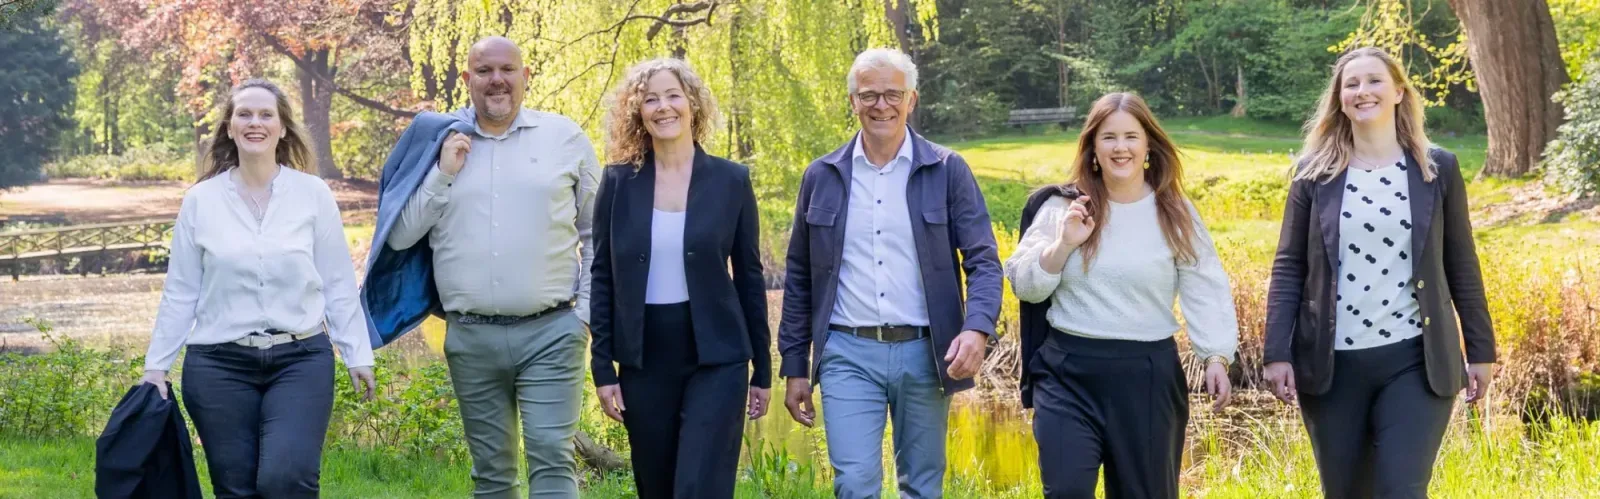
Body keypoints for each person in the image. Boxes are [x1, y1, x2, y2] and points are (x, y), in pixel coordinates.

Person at [1262, 46, 1497, 498]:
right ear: (1339, 99)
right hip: (1331, 366)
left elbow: (1461, 262)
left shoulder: (1437, 168)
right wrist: (1277, 352)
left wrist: (1481, 350)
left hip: (1416, 360)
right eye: (1351, 84)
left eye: (1373, 81)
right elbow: (1289, 266)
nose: (1362, 91)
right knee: (1346, 492)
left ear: (1398, 92)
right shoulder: (1313, 173)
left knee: (1400, 490)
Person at [380, 36, 601, 498]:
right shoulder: (438, 143)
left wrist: (584, 315)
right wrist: (443, 173)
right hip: (471, 336)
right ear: (467, 80)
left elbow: (596, 233)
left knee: (550, 455)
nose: (496, 80)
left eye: (507, 69)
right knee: (492, 472)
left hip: (552, 331)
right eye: (484, 71)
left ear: (525, 76)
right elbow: (401, 237)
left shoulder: (564, 138)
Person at [778, 48, 1003, 499]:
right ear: (852, 102)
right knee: (855, 484)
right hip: (846, 352)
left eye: (892, 94)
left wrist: (977, 329)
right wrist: (794, 365)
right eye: (869, 95)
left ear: (911, 99)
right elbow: (799, 275)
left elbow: (983, 260)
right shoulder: (821, 175)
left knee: (921, 485)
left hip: (926, 353)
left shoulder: (947, 169)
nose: (881, 105)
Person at [139, 78, 378, 498]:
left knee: (285, 480)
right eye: (244, 114)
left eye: (266, 114)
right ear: (229, 128)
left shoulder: (313, 195)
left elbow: (338, 283)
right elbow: (181, 292)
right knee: (235, 489)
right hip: (218, 365)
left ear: (283, 127)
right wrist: (156, 367)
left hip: (300, 360)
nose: (255, 123)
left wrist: (357, 352)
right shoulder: (201, 201)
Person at [1006, 91, 1237, 499]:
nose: (1121, 147)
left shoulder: (1174, 211)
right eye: (1109, 137)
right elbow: (1025, 285)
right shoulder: (1062, 206)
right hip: (1067, 374)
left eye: (1131, 136)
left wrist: (1215, 354)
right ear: (1093, 146)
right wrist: (1062, 246)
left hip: (1147, 377)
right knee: (1065, 490)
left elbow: (1205, 283)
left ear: (1148, 144)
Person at [587, 57, 771, 499]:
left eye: (673, 95)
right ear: (637, 112)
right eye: (650, 99)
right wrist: (602, 368)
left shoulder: (731, 180)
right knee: (658, 486)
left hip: (718, 355)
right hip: (644, 358)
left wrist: (763, 370)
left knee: (699, 486)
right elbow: (602, 275)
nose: (663, 107)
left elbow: (749, 277)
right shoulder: (616, 182)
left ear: (692, 104)